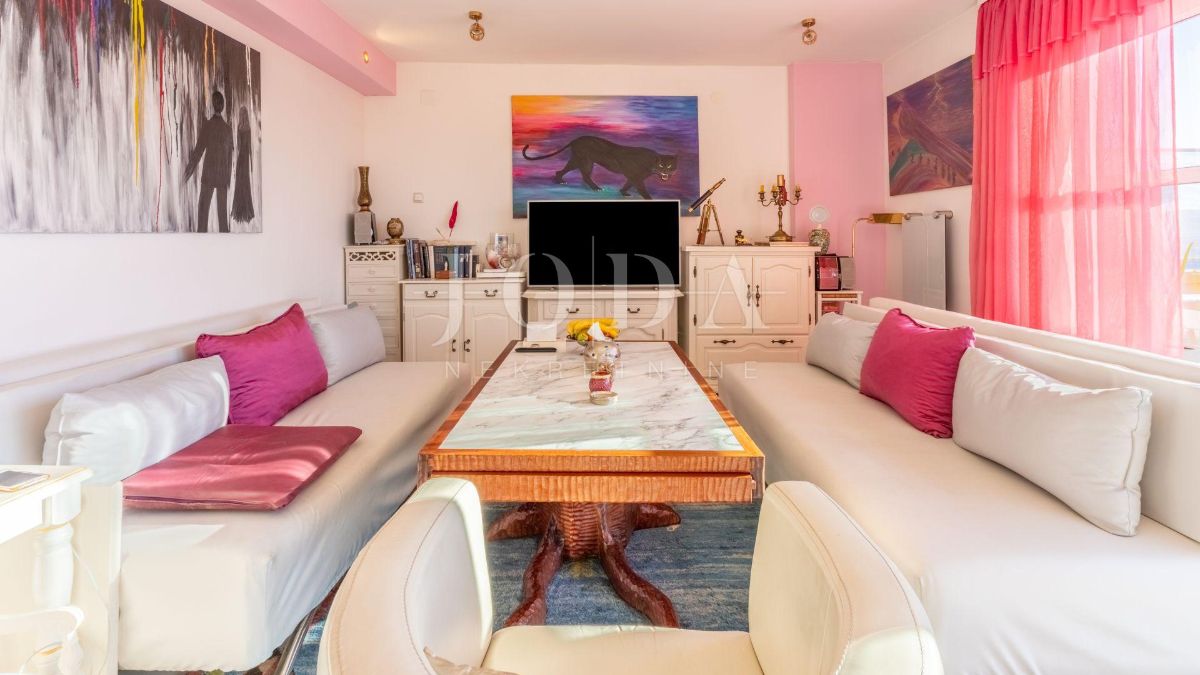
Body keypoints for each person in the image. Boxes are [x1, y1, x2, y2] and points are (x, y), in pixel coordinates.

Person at [183, 90, 234, 233]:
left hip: (209, 175)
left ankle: (201, 242)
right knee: (223, 220)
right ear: (222, 106)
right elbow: (230, 157)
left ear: (213, 105)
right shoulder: (228, 130)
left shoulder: (208, 126)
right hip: (222, 177)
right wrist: (228, 179)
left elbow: (198, 151)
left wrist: (186, 174)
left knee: (203, 213)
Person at [231, 106, 255, 223]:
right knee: (246, 183)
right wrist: (251, 162)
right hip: (245, 159)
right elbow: (249, 147)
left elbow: (238, 147)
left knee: (239, 183)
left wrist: (235, 164)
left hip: (241, 158)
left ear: (241, 115)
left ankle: (239, 211)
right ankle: (247, 211)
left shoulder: (239, 127)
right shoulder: (248, 128)